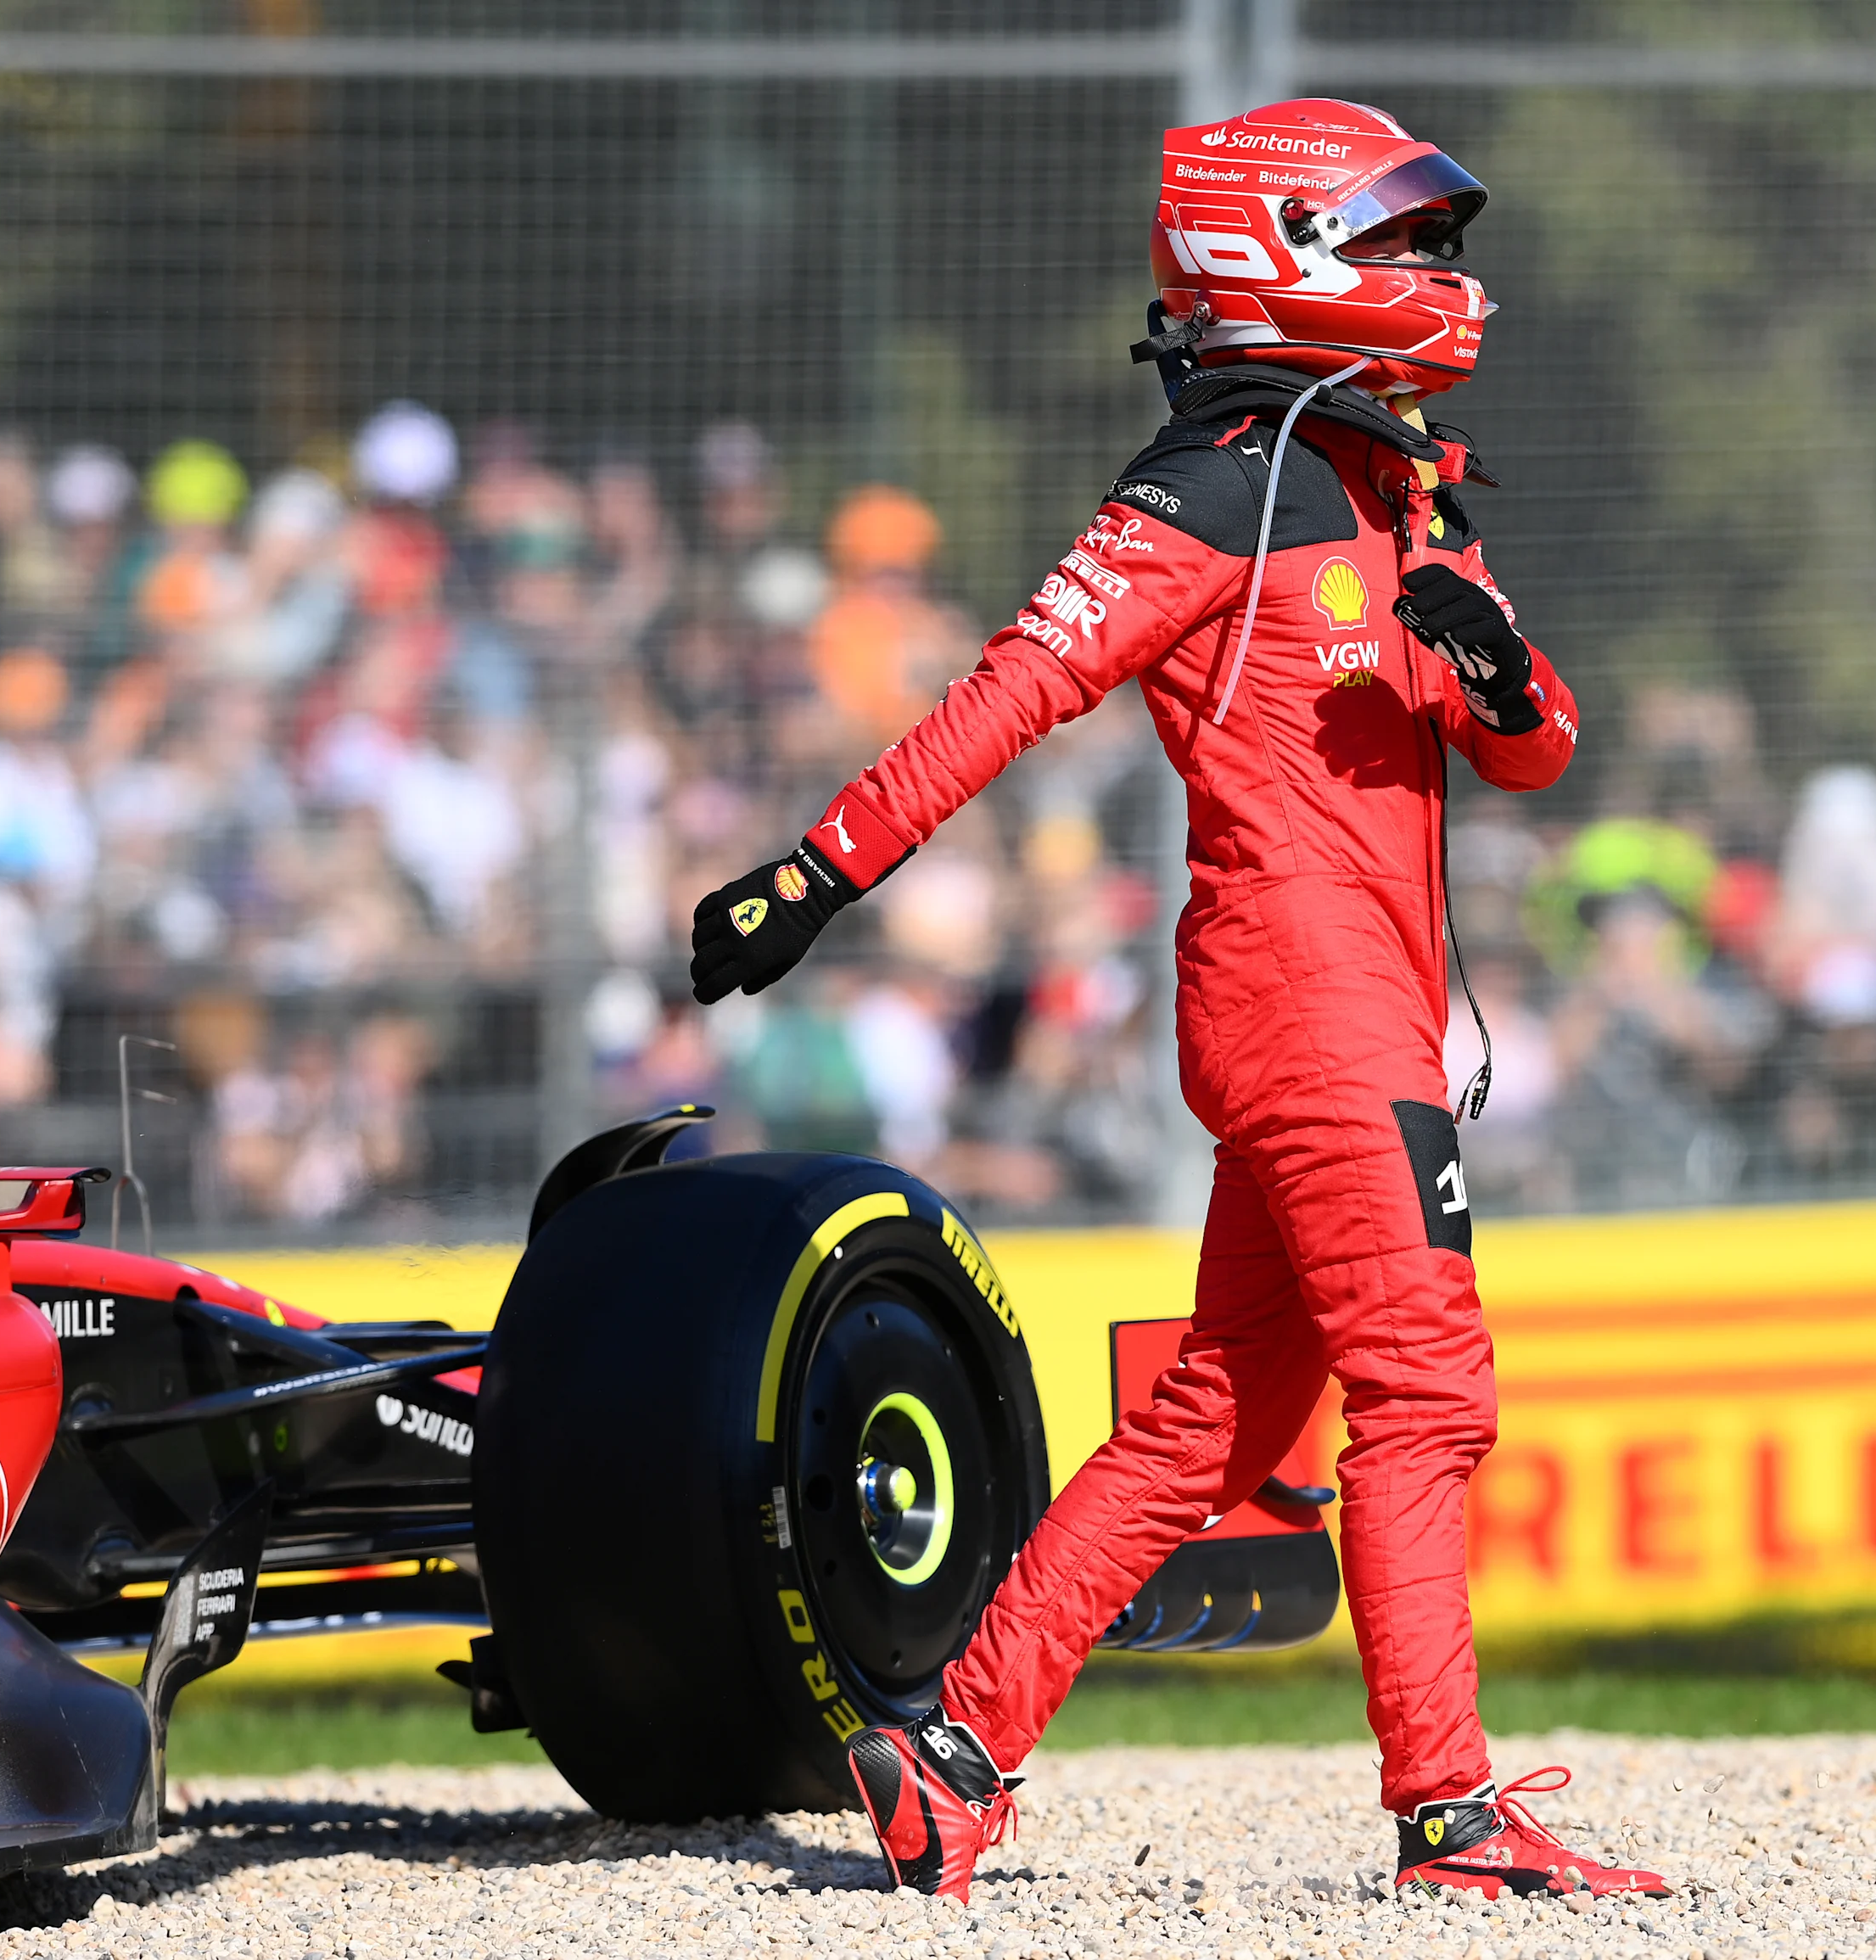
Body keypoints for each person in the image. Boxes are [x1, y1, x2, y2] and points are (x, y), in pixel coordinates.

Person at [687, 98, 1665, 1907]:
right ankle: (1447, 1818)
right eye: (1402, 244)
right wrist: (811, 876)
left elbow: (1530, 756)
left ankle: (949, 1753)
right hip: (1309, 1013)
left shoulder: (1382, 476)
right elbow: (1012, 688)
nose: (1445, 282)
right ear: (1267, 252)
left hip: (1354, 1011)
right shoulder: (1218, 482)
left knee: (1209, 1416)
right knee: (1432, 1397)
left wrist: (1501, 674)